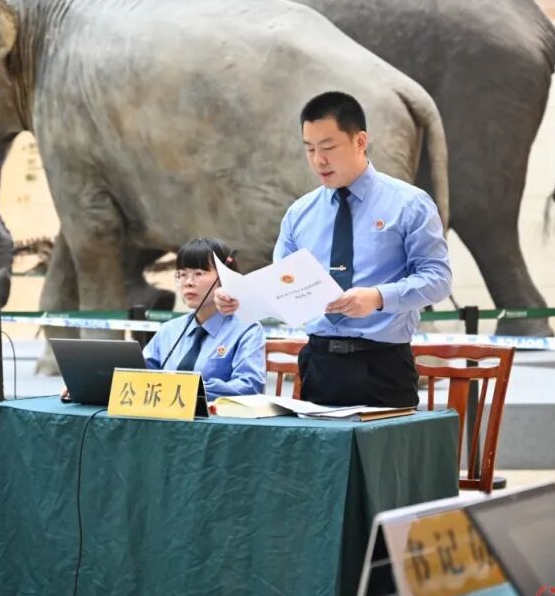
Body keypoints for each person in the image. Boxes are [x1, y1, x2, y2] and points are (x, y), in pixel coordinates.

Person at [215, 91, 452, 407]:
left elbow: (438, 279)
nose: (318, 160)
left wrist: (377, 297)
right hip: (319, 364)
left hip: (383, 365)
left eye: (328, 148)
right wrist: (240, 299)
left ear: (360, 141)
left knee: (383, 442)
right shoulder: (299, 214)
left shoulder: (409, 204)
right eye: (310, 149)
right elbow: (282, 289)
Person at [143, 238, 266, 401]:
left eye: (199, 273)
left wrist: (190, 389)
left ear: (225, 278)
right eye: (182, 274)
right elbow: (140, 373)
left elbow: (250, 386)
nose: (188, 282)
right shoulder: (169, 330)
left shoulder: (247, 329)